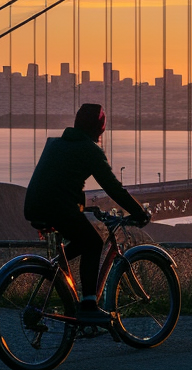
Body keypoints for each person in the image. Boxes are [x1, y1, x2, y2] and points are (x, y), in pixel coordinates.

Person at [24, 104, 150, 326]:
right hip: (57, 207)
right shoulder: (89, 149)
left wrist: (83, 207)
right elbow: (113, 187)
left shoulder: (56, 144)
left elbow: (62, 180)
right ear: (99, 129)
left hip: (35, 205)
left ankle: (55, 269)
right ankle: (89, 306)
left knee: (81, 242)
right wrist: (139, 212)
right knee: (93, 243)